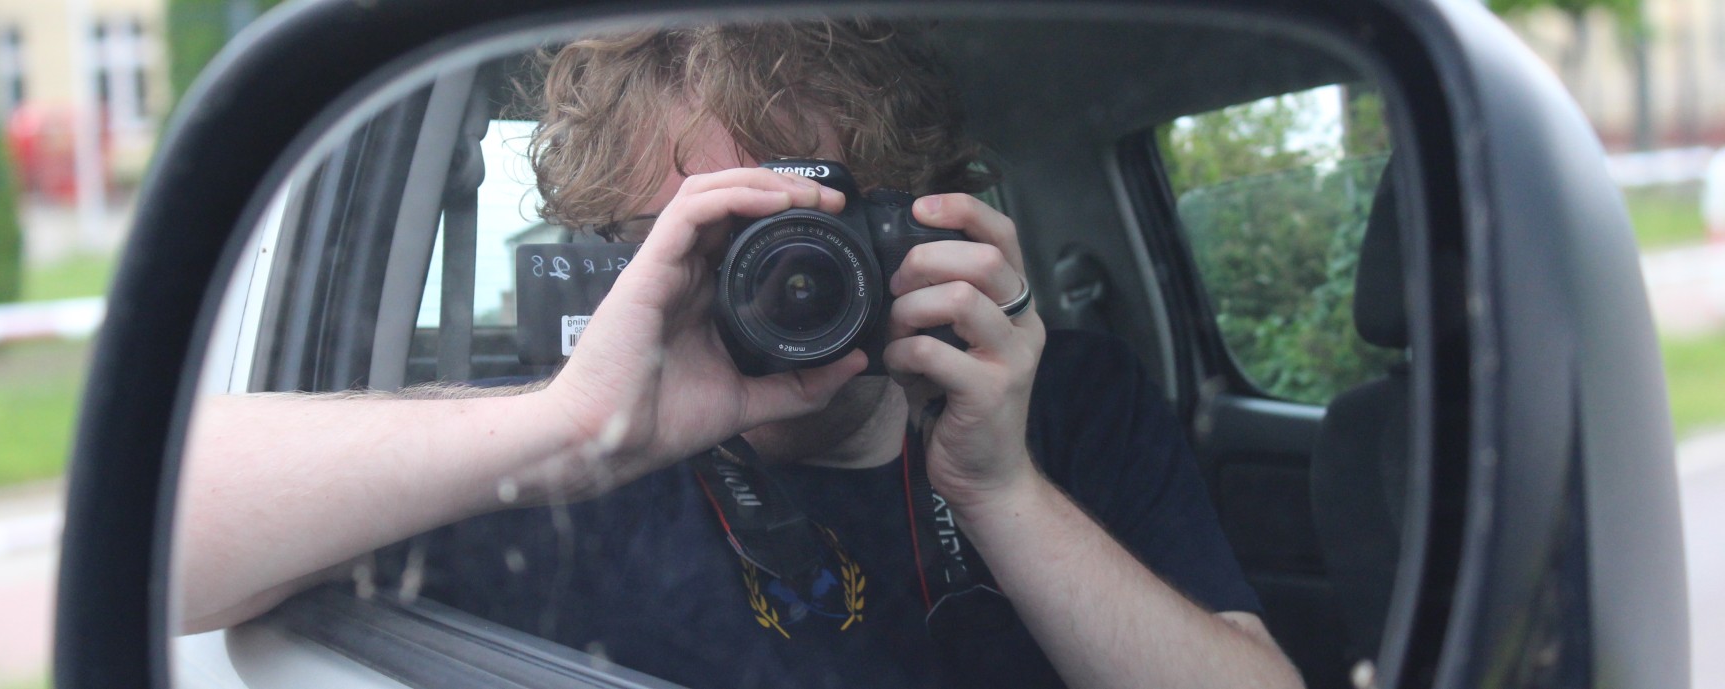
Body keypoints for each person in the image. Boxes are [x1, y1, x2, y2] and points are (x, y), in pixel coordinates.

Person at [178, 19, 1302, 689]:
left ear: (920, 216)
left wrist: (998, 482)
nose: (777, 282)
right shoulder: (556, 462)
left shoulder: (1061, 403)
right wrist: (572, 427)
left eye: (807, 228)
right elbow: (155, 537)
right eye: (707, 241)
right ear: (629, 257)